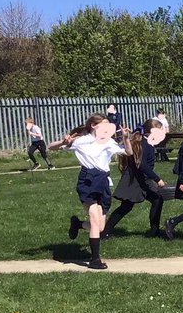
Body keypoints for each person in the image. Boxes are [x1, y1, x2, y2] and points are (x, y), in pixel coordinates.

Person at [48, 114, 129, 269]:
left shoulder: (109, 142)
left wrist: (125, 138)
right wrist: (63, 142)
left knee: (99, 227)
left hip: (103, 182)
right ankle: (95, 259)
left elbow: (128, 152)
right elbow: (51, 146)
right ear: (93, 125)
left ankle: (77, 224)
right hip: (88, 181)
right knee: (94, 219)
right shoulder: (82, 141)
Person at [103, 118, 167, 239]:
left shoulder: (147, 143)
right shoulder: (145, 144)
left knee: (157, 200)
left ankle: (154, 231)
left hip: (141, 179)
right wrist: (157, 179)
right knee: (126, 206)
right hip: (135, 180)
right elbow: (141, 165)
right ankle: (106, 232)